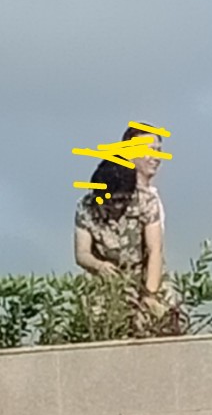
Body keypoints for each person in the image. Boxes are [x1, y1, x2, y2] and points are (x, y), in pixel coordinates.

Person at [73, 123, 172, 326]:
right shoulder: (87, 207)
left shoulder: (146, 201)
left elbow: (155, 250)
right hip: (108, 284)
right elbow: (82, 253)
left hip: (145, 278)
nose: (117, 206)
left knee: (166, 318)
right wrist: (99, 266)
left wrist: (150, 296)